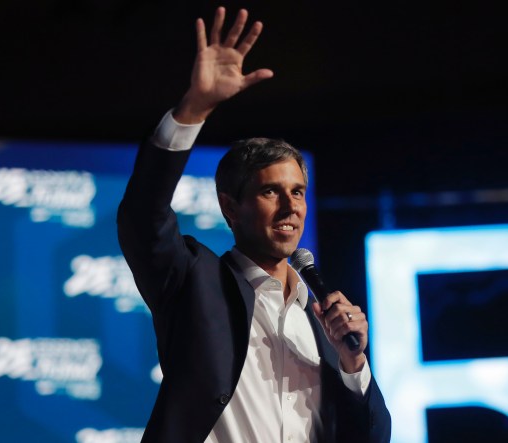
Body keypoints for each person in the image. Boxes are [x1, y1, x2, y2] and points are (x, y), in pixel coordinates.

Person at [117, 6, 391, 443]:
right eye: (270, 192)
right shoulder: (194, 282)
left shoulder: (322, 320)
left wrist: (354, 365)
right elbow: (142, 216)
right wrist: (194, 109)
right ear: (230, 207)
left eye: (297, 192)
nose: (290, 207)